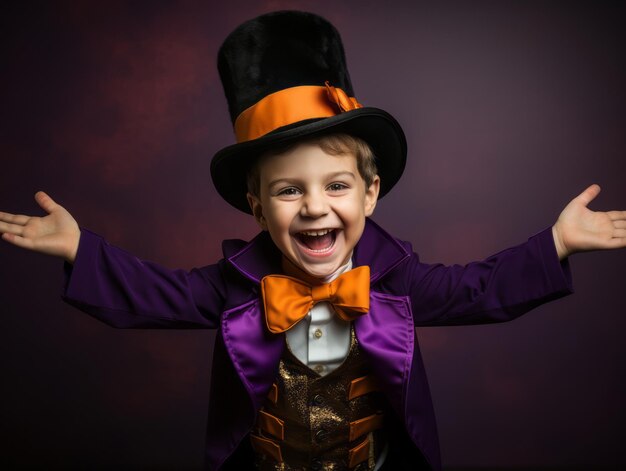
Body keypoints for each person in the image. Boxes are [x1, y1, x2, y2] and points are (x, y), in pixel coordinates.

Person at [1, 10, 625, 471]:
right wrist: (81, 250)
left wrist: (556, 244)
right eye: (288, 191)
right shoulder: (235, 283)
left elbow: (479, 288)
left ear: (370, 194)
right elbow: (153, 295)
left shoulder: (398, 277)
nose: (315, 208)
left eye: (335, 185)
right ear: (256, 205)